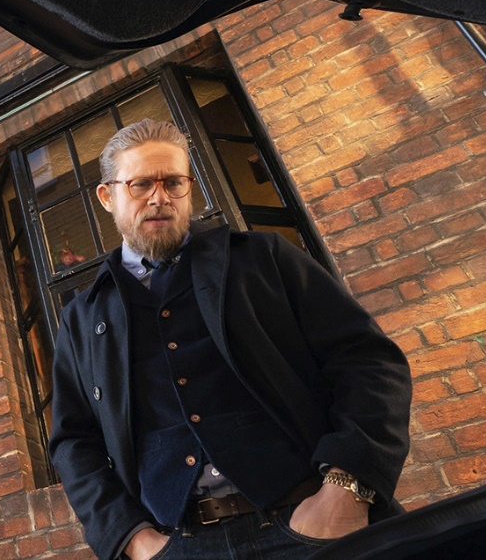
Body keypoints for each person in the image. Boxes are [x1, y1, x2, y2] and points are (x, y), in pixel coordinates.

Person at [48, 120, 412, 560]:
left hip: (312, 524)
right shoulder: (82, 318)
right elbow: (73, 442)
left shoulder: (264, 258)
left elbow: (367, 361)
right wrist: (132, 539)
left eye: (173, 183)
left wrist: (346, 487)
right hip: (178, 545)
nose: (159, 198)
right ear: (108, 197)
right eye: (141, 184)